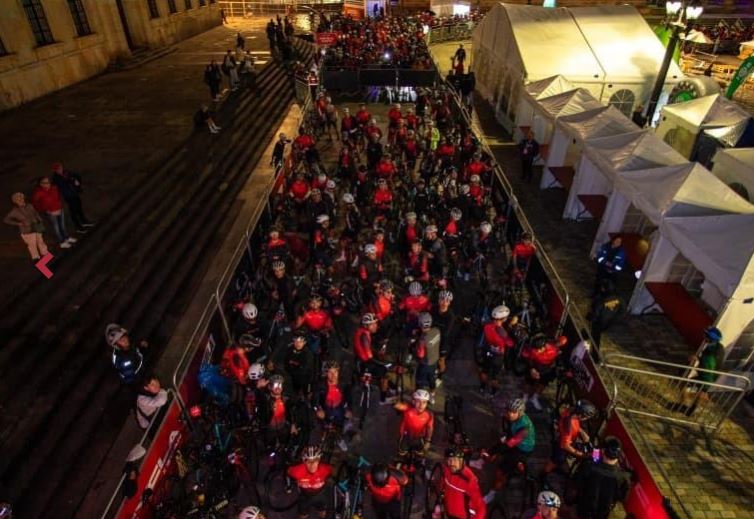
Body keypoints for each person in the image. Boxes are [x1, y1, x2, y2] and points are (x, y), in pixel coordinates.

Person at [476, 398, 535, 504]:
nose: (510, 414)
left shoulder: (524, 429)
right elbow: (507, 435)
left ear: (520, 413)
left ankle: (492, 494)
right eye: (508, 411)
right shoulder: (511, 418)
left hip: (522, 450)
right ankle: (482, 461)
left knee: (501, 472)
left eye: (513, 412)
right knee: (494, 447)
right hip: (513, 441)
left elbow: (508, 445)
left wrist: (492, 451)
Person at [574, 437, 631, 519]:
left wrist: (596, 450)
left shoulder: (588, 466)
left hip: (584, 507)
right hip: (602, 513)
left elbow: (577, 482)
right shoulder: (624, 477)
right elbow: (622, 498)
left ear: (603, 451)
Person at [353, 313, 393, 404]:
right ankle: (383, 399)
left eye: (375, 323)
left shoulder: (360, 331)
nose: (375, 326)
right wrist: (385, 364)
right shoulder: (365, 336)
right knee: (385, 374)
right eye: (372, 324)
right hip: (366, 363)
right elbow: (370, 357)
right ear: (366, 325)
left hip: (359, 360)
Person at [436, 446, 486, 519]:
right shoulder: (446, 469)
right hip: (449, 511)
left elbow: (480, 506)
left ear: (462, 461)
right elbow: (443, 483)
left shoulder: (469, 479)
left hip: (462, 516)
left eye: (455, 460)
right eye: (449, 460)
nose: (452, 464)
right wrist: (440, 495)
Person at [313, 361, 351, 452]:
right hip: (326, 409)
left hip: (339, 409)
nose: (333, 375)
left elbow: (349, 397)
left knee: (340, 426)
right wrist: (317, 409)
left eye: (335, 372)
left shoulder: (344, 384)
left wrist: (349, 409)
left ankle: (339, 439)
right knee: (322, 426)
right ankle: (320, 442)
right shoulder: (321, 384)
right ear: (326, 373)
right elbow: (314, 400)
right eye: (330, 372)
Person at [286, 446, 333, 519]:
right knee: (303, 515)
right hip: (305, 497)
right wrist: (288, 485)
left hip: (320, 495)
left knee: (322, 513)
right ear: (304, 461)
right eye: (309, 461)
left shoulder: (326, 469)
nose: (312, 465)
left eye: (315, 461)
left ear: (319, 460)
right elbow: (287, 472)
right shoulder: (297, 471)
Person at [477, 305, 514, 396]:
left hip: (487, 351)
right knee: (495, 376)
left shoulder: (487, 327)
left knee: (484, 371)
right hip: (498, 356)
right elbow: (510, 344)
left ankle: (482, 387)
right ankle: (493, 392)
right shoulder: (502, 332)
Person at [31, 176, 77, 248]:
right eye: (44, 183)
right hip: (51, 212)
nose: (47, 184)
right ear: (40, 184)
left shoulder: (54, 188)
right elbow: (35, 203)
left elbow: (59, 197)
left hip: (59, 209)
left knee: (62, 225)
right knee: (56, 227)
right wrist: (45, 209)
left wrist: (60, 204)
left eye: (48, 182)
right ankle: (62, 242)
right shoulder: (38, 193)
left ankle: (66, 238)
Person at [4, 192, 49, 262]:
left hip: (36, 227)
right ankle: (36, 259)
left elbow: (35, 213)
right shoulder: (15, 211)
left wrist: (39, 219)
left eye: (21, 198)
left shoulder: (29, 206)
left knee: (40, 241)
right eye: (18, 199)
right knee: (32, 245)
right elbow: (6, 220)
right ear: (15, 201)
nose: (21, 200)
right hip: (26, 230)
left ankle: (46, 255)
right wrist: (18, 223)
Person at [51, 162, 94, 234]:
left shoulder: (66, 172)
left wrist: (77, 183)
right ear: (55, 170)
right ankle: (78, 227)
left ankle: (84, 221)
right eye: (58, 169)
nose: (60, 170)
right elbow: (64, 185)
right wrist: (73, 181)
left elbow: (76, 176)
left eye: (60, 168)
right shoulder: (56, 179)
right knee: (73, 211)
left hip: (74, 193)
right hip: (69, 196)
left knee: (79, 208)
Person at [394, 389, 434, 461]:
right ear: (413, 401)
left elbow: (429, 428)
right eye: (418, 401)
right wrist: (396, 399)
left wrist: (428, 441)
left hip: (419, 438)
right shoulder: (408, 409)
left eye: (424, 402)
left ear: (427, 404)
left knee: (419, 454)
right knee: (401, 454)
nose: (421, 405)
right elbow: (397, 405)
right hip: (405, 437)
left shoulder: (429, 415)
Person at [589, 280, 624, 347]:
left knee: (595, 339)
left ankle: (594, 353)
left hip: (600, 323)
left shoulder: (600, 300)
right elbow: (623, 311)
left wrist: (590, 318)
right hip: (611, 323)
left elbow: (595, 314)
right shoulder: (619, 298)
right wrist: (615, 319)